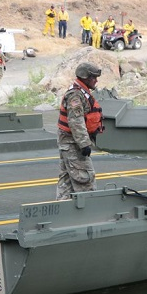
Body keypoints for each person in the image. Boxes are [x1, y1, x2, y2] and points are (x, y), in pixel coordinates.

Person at [57, 62, 104, 200]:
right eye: (93, 77)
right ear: (85, 78)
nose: (96, 80)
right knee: (84, 178)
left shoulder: (82, 92)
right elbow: (76, 121)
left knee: (67, 181)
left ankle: (63, 208)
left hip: (70, 142)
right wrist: (84, 144)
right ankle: (88, 212)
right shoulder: (76, 95)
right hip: (73, 144)